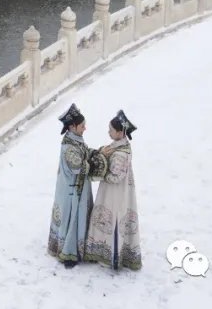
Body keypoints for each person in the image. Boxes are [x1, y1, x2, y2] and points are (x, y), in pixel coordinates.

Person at [47, 104, 107, 268]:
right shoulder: (68, 147)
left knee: (78, 217)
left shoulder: (76, 141)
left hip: (79, 189)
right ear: (72, 127)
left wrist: (98, 152)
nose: (85, 128)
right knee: (72, 219)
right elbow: (79, 167)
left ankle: (79, 247)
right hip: (71, 191)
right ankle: (69, 252)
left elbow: (85, 152)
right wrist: (94, 162)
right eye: (82, 126)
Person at [85, 110, 142, 271]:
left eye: (111, 130)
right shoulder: (119, 146)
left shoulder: (120, 154)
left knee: (114, 217)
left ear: (120, 132)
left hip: (114, 193)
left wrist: (101, 173)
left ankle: (113, 255)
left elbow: (115, 176)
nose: (108, 132)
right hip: (116, 191)